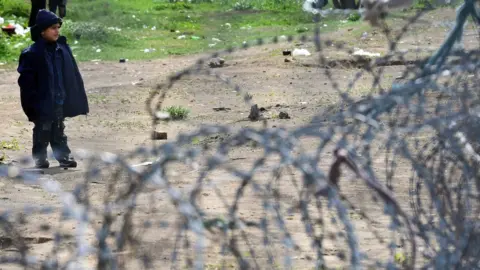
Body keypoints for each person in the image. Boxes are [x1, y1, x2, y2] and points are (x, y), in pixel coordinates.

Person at [17, 9, 89, 169]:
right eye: (53, 28)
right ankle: (40, 159)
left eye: (58, 27)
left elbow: (71, 75)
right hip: (41, 101)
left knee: (58, 129)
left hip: (59, 98)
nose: (57, 31)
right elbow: (26, 83)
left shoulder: (61, 49)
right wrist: (32, 105)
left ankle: (64, 157)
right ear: (42, 31)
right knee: (43, 130)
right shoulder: (32, 54)